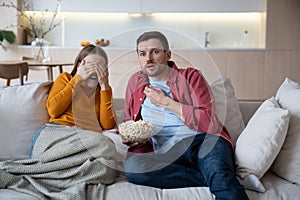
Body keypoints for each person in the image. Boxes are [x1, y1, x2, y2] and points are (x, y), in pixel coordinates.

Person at [122, 31, 249, 200]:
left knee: (219, 173)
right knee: (133, 167)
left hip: (203, 142)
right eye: (142, 54)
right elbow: (130, 121)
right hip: (165, 153)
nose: (148, 59)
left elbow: (209, 121)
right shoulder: (135, 82)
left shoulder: (191, 76)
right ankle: (214, 177)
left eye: (155, 51)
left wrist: (165, 101)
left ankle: (219, 177)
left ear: (167, 54)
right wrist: (133, 137)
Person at [30, 44, 116, 155]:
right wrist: (77, 80)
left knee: (105, 153)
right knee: (103, 146)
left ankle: (54, 169)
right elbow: (53, 110)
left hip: (85, 138)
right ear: (79, 65)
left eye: (100, 67)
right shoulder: (66, 79)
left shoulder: (102, 91)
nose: (94, 71)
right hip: (57, 132)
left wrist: (105, 86)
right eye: (90, 65)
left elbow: (107, 125)